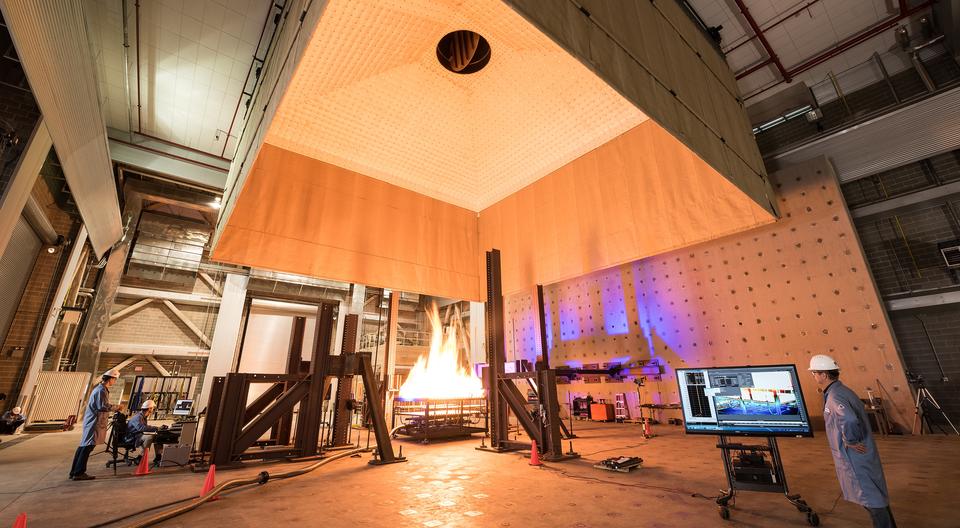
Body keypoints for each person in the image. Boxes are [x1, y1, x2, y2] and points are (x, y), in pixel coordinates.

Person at [809, 354, 896, 528]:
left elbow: (848, 419)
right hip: (861, 454)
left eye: (815, 373)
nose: (814, 376)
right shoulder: (842, 391)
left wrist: (851, 440)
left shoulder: (835, 396)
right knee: (874, 496)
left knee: (871, 498)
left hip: (855, 456)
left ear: (824, 375)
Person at [69, 369, 122, 481]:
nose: (115, 382)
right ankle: (78, 472)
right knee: (87, 447)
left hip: (94, 422)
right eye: (115, 379)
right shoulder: (101, 390)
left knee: (84, 446)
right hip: (94, 422)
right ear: (111, 378)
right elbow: (102, 406)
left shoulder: (101, 389)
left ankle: (75, 471)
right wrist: (117, 407)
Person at [125, 400, 162, 467]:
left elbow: (144, 427)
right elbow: (141, 428)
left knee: (158, 436)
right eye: (152, 408)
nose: (153, 410)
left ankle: (158, 457)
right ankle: (140, 457)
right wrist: (156, 428)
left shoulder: (143, 417)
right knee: (149, 437)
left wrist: (157, 428)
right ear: (150, 409)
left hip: (137, 435)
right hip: (132, 437)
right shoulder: (138, 417)